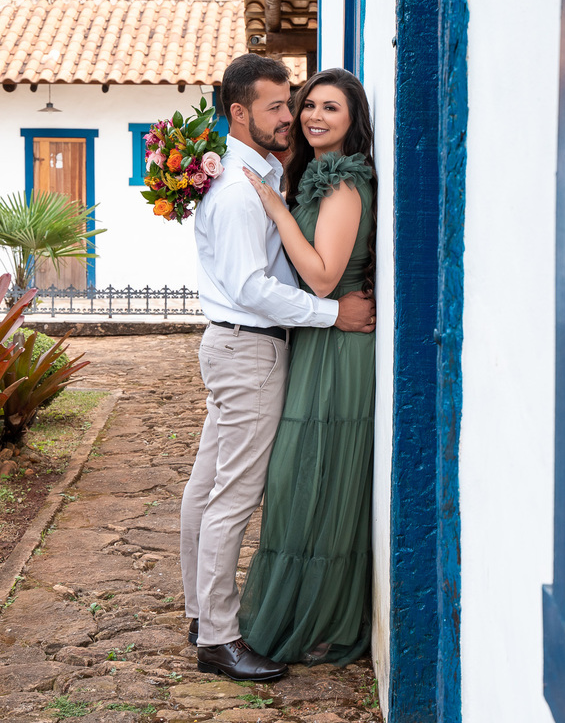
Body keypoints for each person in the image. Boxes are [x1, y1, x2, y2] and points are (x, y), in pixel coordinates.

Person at [180, 55, 375, 683]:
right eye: (279, 106)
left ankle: (200, 613)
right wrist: (331, 315)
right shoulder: (241, 190)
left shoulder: (263, 175)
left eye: (300, 103)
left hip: (236, 346)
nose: (292, 116)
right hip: (250, 347)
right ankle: (217, 636)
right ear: (239, 113)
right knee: (231, 495)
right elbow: (252, 285)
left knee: (208, 486)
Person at [236, 67, 377, 666]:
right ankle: (299, 610)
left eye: (332, 109)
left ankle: (316, 618)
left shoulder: (343, 186)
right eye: (308, 104)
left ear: (353, 123)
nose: (315, 116)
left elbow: (322, 276)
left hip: (339, 350)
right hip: (318, 340)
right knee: (298, 480)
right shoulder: (315, 176)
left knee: (312, 477)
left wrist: (275, 208)